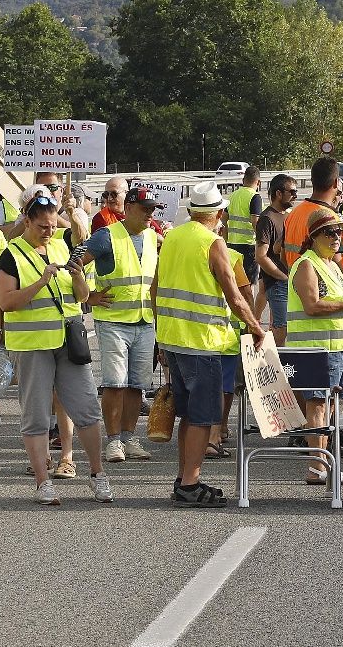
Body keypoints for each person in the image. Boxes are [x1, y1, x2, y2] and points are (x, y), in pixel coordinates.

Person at [0, 191, 112, 506]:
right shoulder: (11, 255)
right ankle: (42, 483)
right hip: (33, 347)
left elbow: (82, 297)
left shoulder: (62, 244)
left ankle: (98, 475)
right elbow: (6, 302)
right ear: (28, 221)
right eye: (43, 226)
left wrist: (77, 279)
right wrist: (40, 282)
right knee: (35, 417)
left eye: (52, 225)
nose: (49, 231)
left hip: (68, 342)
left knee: (87, 410)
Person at [153, 181, 267, 506]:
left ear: (191, 211)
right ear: (219, 212)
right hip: (202, 343)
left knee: (188, 414)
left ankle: (184, 477)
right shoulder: (213, 243)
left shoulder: (172, 237)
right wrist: (256, 327)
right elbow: (234, 295)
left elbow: (155, 288)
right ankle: (190, 483)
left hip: (173, 339)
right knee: (204, 416)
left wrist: (161, 336)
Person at [288, 208, 343, 486]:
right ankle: (318, 466)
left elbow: (340, 301)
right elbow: (312, 305)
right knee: (318, 406)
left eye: (340, 231)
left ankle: (322, 464)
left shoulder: (331, 265)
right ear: (314, 237)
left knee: (330, 407)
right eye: (330, 232)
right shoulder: (306, 265)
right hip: (316, 350)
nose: (338, 236)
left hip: (338, 348)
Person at [85, 184, 163, 463]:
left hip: (144, 322)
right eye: (144, 210)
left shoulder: (155, 237)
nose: (149, 215)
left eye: (152, 210)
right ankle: (114, 441)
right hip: (113, 322)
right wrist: (87, 296)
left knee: (136, 386)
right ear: (128, 208)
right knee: (115, 384)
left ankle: (129, 439)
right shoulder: (106, 236)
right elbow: (74, 262)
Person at [282, 157, 343, 283]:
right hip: (330, 296)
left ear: (312, 181)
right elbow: (338, 263)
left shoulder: (293, 214)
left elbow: (283, 256)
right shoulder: (331, 219)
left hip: (299, 289)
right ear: (336, 183)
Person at [254, 173, 297, 346]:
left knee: (285, 327)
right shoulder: (267, 218)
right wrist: (281, 276)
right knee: (281, 329)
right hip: (278, 283)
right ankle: (278, 363)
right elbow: (261, 256)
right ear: (278, 193)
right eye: (292, 192)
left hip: (288, 280)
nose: (295, 195)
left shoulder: (287, 215)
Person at [224, 165, 263, 287]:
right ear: (259, 182)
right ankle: (248, 307)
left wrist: (226, 242)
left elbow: (223, 220)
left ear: (243, 180)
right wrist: (262, 244)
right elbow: (255, 222)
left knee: (235, 283)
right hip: (249, 246)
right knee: (248, 285)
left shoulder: (233, 196)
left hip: (232, 245)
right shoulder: (255, 197)